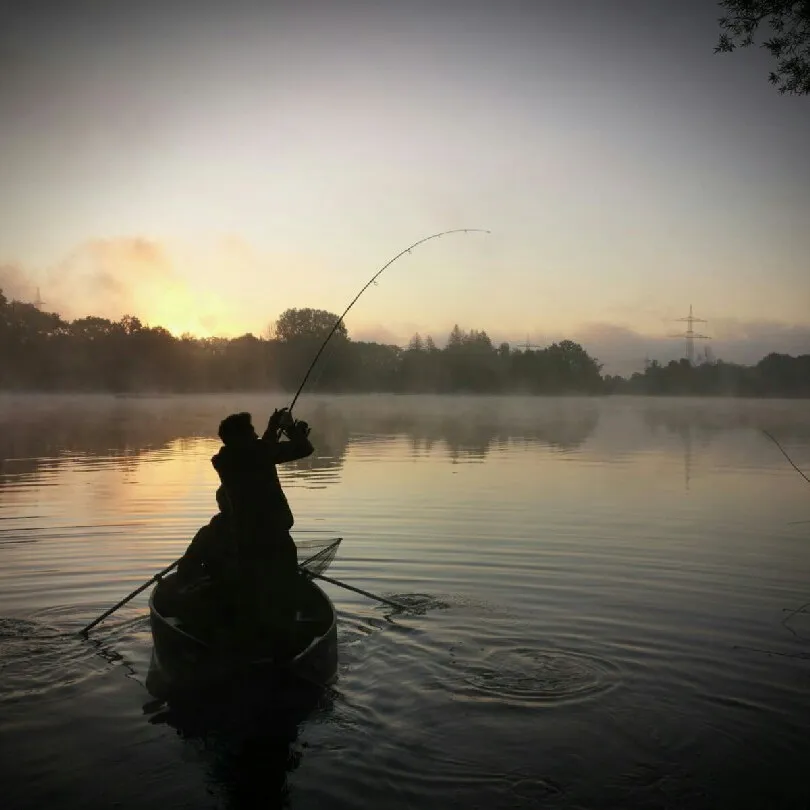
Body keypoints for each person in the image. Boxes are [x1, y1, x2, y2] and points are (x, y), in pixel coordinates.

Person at [210, 408, 314, 647]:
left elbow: (261, 450)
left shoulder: (224, 459)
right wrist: (291, 430)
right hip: (274, 536)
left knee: (252, 590)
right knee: (283, 588)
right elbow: (304, 449)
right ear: (240, 437)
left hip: (245, 537)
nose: (256, 436)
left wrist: (272, 428)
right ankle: (283, 644)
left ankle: (250, 643)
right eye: (252, 433)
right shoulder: (257, 452)